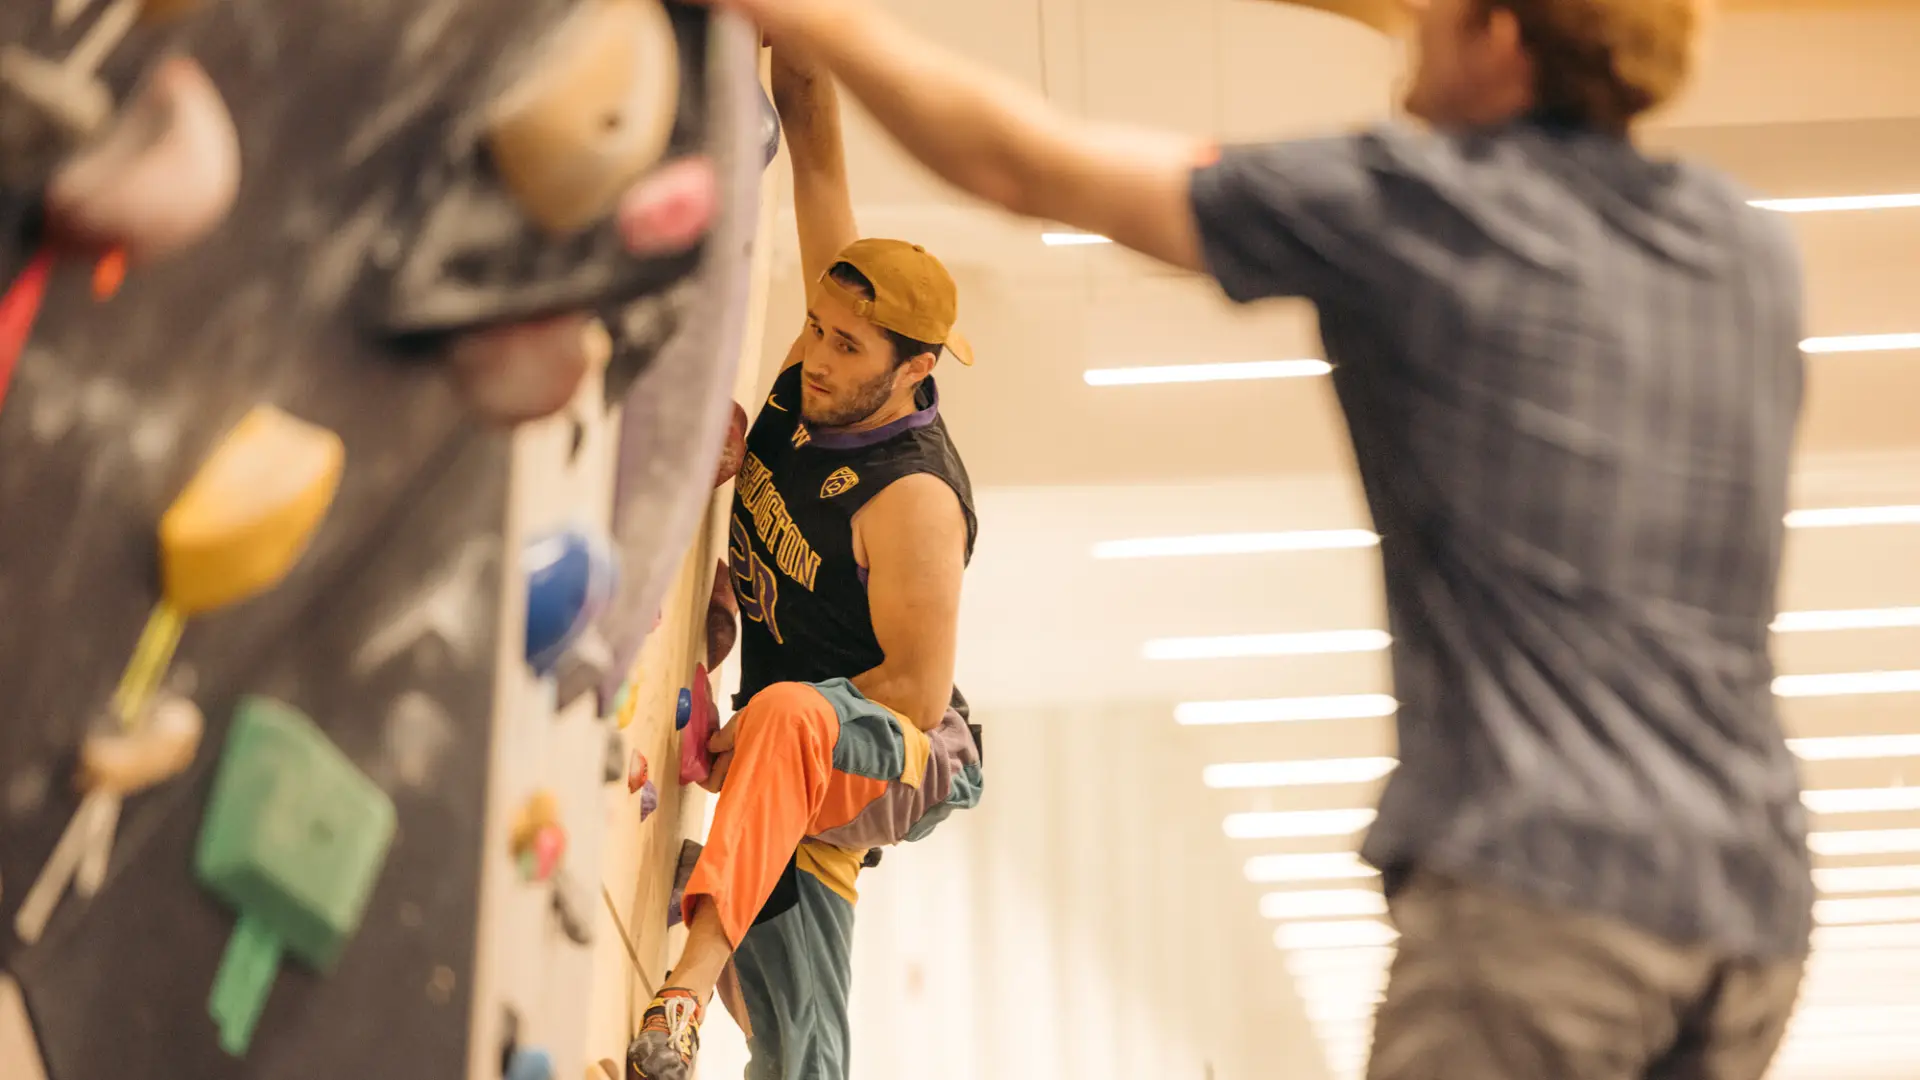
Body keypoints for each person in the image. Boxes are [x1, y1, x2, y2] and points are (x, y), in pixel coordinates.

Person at [694, 1, 1815, 1078]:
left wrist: (817, 19)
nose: (1408, 25)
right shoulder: (1745, 249)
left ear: (1505, 37)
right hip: (1752, 908)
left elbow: (1022, 165)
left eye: (1440, 7)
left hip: (1544, 892)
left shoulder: (1422, 207)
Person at [625, 44, 984, 1080]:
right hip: (802, 775)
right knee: (804, 1064)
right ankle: (736, 907)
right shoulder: (838, 329)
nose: (817, 360)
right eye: (817, 332)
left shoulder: (916, 499)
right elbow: (814, 136)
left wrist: (757, 737)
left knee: (786, 718)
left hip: (900, 755)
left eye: (846, 350)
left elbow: (913, 698)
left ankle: (680, 999)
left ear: (912, 369)